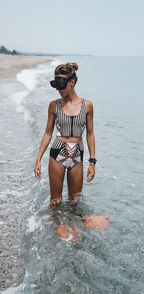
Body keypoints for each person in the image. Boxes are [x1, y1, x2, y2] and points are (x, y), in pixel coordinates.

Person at [34, 63, 96, 209]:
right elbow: (48, 133)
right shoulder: (53, 105)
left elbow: (90, 133)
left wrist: (92, 162)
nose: (59, 90)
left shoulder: (87, 106)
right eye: (56, 85)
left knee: (75, 202)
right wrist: (38, 159)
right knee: (55, 201)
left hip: (77, 155)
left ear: (72, 82)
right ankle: (54, 227)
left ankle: (74, 228)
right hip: (58, 153)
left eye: (61, 85)